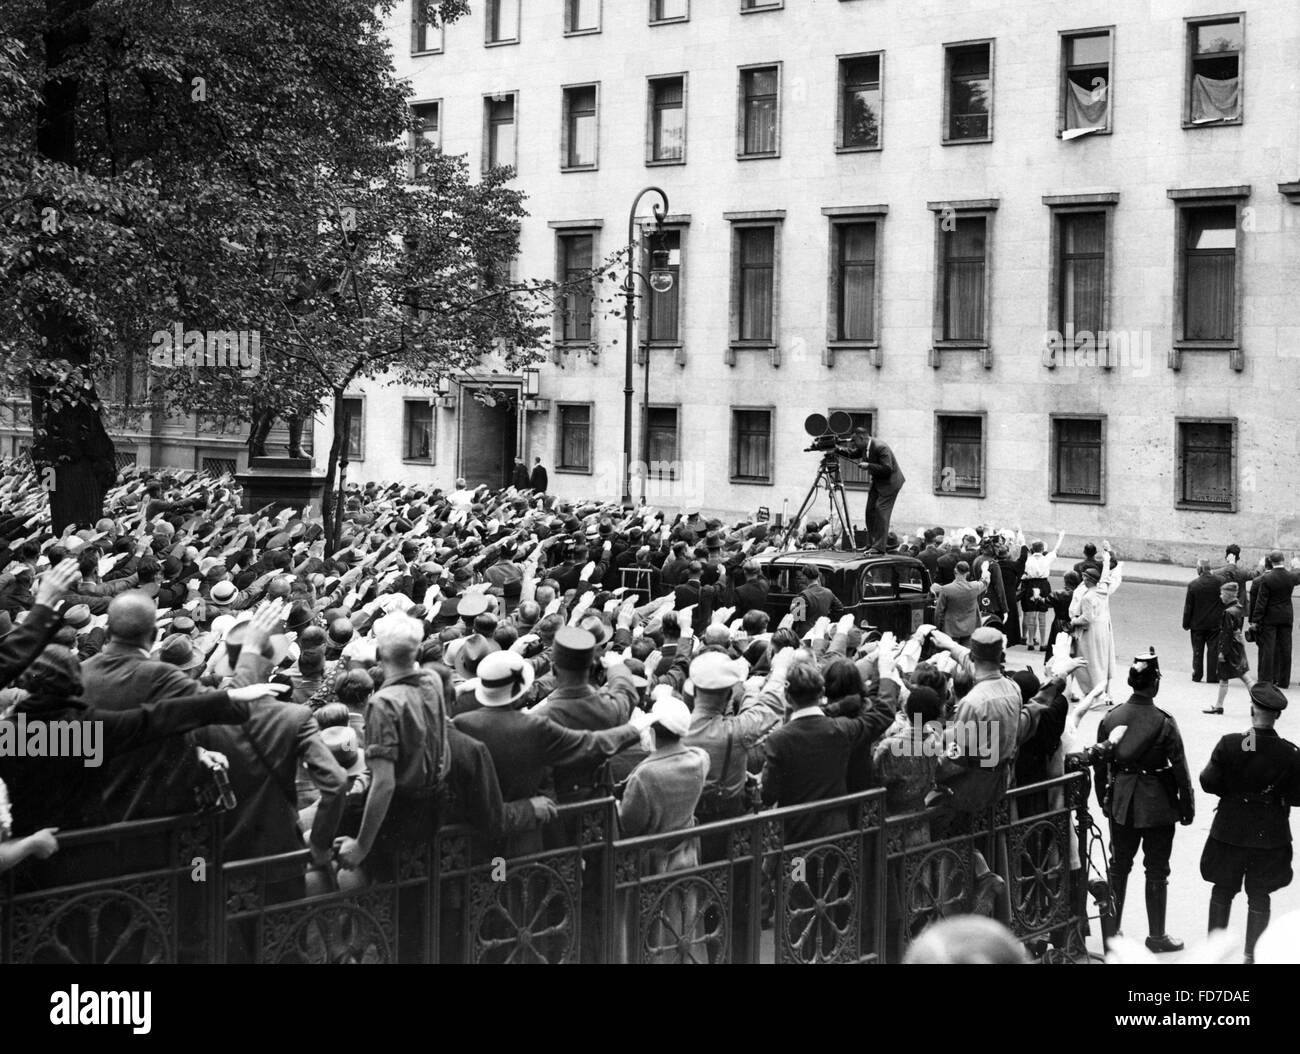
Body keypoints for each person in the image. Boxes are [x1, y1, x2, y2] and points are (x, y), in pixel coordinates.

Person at [1094, 650, 1194, 954]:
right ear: (1155, 684)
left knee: (1118, 867)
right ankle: (1157, 935)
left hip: (1122, 802)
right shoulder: (1164, 722)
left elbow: (1100, 766)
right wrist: (1186, 806)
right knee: (1157, 869)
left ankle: (1112, 933)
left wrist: (1104, 801)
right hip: (1158, 805)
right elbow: (1180, 768)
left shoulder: (1111, 718)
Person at [1199, 681, 1300, 963]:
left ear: (1252, 708)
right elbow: (1297, 796)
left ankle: (1214, 954)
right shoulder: (1290, 753)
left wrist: (1234, 788)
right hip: (1269, 835)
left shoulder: (1236, 742)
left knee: (1222, 890)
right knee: (1260, 895)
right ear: (1277, 715)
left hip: (1229, 830)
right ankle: (1250, 956)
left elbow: (1208, 782)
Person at [760, 659, 894, 842]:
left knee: (797, 871)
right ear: (821, 692)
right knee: (835, 871)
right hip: (836, 835)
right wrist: (885, 672)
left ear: (787, 696)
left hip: (796, 837)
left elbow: (768, 795)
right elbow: (883, 714)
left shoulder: (777, 740)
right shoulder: (841, 729)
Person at [842, 427, 904, 554]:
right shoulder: (865, 447)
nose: (854, 445)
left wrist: (868, 466)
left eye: (855, 441)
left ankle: (879, 547)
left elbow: (887, 469)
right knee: (869, 511)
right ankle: (871, 544)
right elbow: (853, 454)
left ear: (862, 438)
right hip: (878, 482)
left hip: (890, 484)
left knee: (881, 512)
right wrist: (836, 450)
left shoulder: (881, 447)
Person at [1069, 546, 1122, 695]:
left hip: (1090, 631)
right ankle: (1105, 691)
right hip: (1104, 628)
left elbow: (1083, 616)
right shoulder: (1103, 588)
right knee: (1103, 660)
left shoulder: (1084, 593)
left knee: (1090, 661)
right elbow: (1107, 577)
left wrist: (1074, 621)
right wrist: (1107, 557)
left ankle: (1091, 692)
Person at [1250, 551, 1300, 689]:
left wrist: (1256, 620)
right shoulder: (1290, 576)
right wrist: (1296, 563)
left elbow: (1261, 601)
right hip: (1286, 616)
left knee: (1268, 648)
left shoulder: (1267, 579)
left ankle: (1267, 680)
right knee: (1285, 648)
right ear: (1283, 560)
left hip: (1270, 617)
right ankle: (1284, 680)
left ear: (1271, 562)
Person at [1206, 580, 1254, 715]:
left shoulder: (1228, 612)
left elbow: (1226, 633)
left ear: (1227, 595)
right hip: (1237, 646)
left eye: (1222, 594)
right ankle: (1220, 705)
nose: (1220, 596)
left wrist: (1222, 652)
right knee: (1241, 676)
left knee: (1230, 676)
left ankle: (1220, 706)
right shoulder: (1239, 608)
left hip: (1229, 649)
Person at [1020, 530, 1064, 651]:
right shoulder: (1047, 558)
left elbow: (1022, 549)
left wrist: (1021, 535)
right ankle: (1043, 643)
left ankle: (1030, 641)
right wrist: (1061, 537)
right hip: (1043, 585)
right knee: (1042, 615)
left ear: (1032, 549)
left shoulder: (1028, 560)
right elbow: (1056, 549)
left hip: (1031, 584)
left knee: (1031, 614)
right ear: (1042, 549)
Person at [1183, 559, 1225, 683]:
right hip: (1215, 623)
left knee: (1197, 650)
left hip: (1197, 624)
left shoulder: (1193, 585)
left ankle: (1197, 674)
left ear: (1200, 569)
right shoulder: (1220, 582)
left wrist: (1186, 624)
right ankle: (1212, 676)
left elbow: (1188, 607)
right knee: (1213, 650)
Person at [933, 561, 989, 644]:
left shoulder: (946, 589)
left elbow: (939, 612)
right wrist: (985, 570)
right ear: (968, 573)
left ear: (955, 571)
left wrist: (938, 629)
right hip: (969, 630)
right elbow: (985, 582)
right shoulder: (975, 587)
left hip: (950, 630)